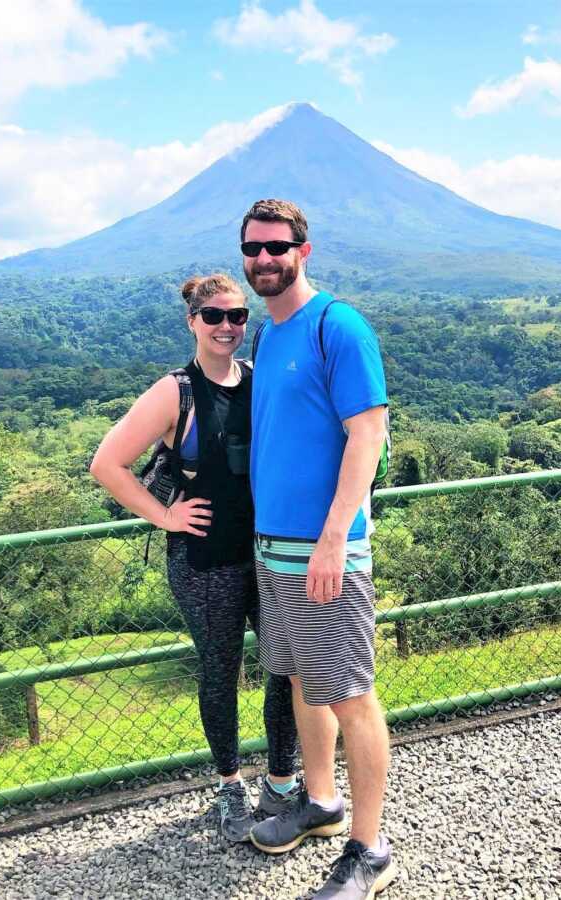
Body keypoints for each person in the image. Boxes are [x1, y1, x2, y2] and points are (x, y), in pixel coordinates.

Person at [89, 273, 298, 842]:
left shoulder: (256, 381)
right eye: (215, 317)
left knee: (287, 668)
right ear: (193, 322)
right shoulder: (174, 392)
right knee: (219, 672)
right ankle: (230, 786)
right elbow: (107, 464)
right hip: (205, 559)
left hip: (266, 551)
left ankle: (281, 781)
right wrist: (164, 516)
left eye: (237, 316)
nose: (228, 326)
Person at [241, 200, 397, 899]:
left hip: (324, 551)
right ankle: (323, 801)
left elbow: (368, 434)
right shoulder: (269, 336)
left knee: (353, 696)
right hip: (273, 550)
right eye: (254, 248)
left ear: (304, 249)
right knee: (304, 682)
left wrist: (335, 538)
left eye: (278, 247)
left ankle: (370, 849)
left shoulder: (339, 325)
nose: (265, 259)